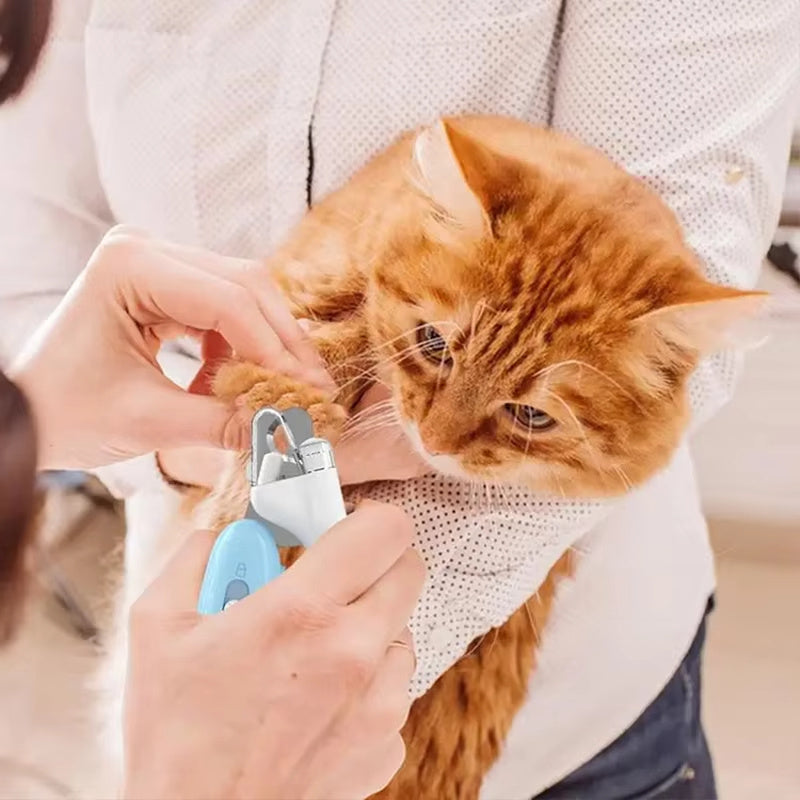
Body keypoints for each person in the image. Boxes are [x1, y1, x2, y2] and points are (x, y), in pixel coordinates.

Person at [1, 1, 798, 798]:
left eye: (524, 412)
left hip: (566, 713)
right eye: (431, 349)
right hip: (202, 677)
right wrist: (193, 445)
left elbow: (679, 305)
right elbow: (34, 286)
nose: (438, 438)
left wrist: (271, 699)